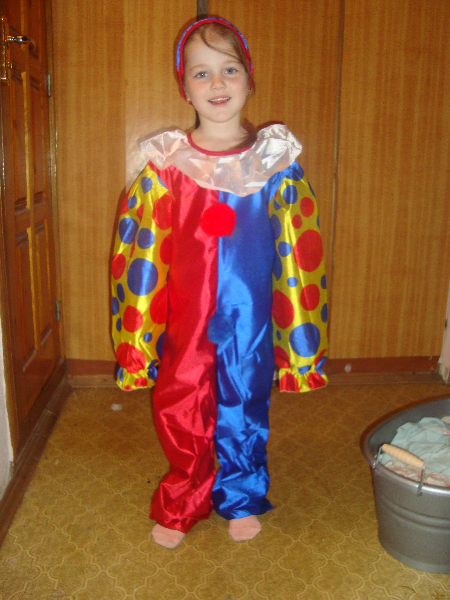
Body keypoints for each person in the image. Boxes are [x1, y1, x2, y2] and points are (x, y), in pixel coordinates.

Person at [111, 17, 328, 549]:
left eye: (229, 70)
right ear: (184, 87)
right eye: (201, 73)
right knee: (180, 398)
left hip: (249, 315)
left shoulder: (275, 164)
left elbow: (299, 254)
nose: (217, 84)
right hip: (186, 315)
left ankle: (241, 492)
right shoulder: (167, 166)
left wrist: (300, 338)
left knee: (245, 397)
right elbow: (140, 255)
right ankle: (185, 494)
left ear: (250, 80)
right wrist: (137, 340)